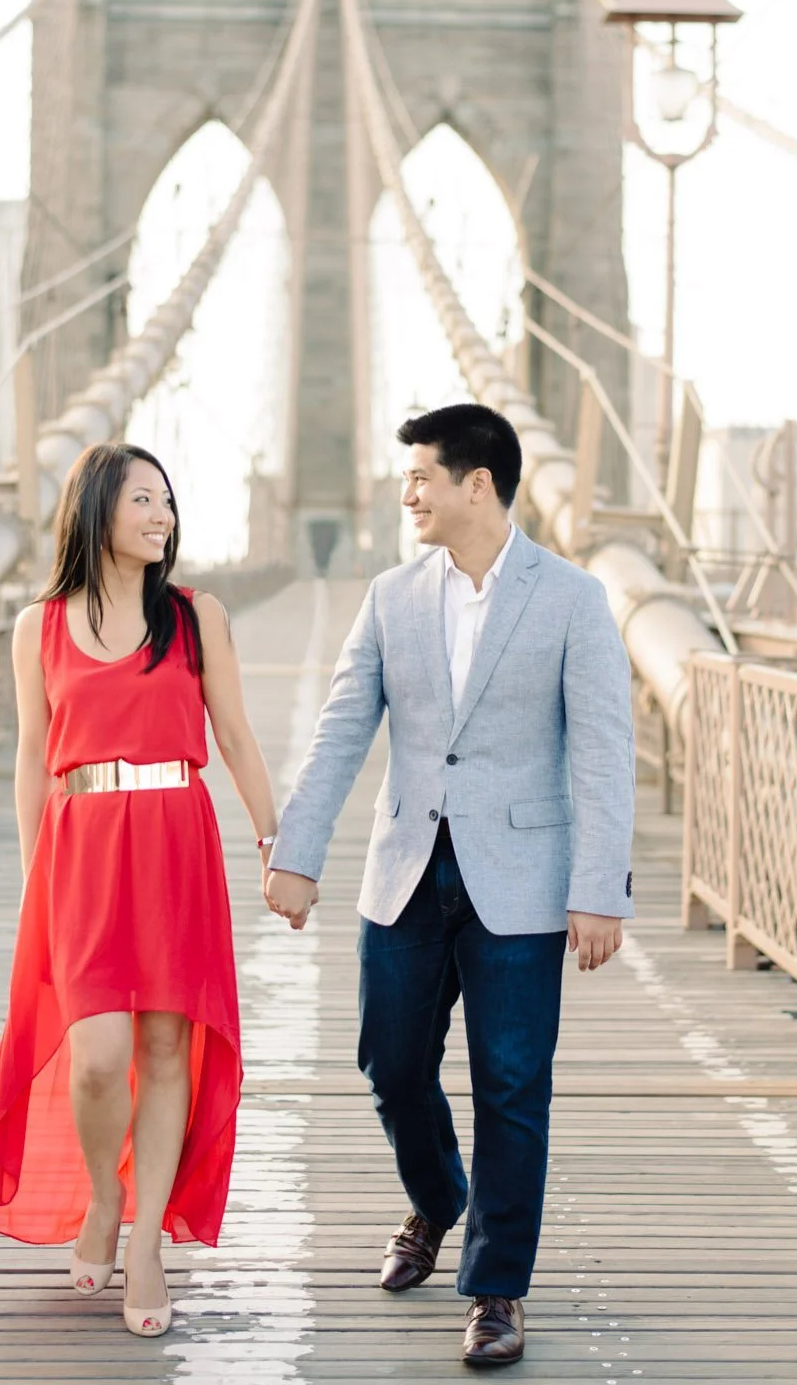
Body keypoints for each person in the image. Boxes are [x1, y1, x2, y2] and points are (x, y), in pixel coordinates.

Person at [265, 403, 634, 1367]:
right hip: (404, 869)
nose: (408, 492)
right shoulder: (391, 595)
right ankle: (437, 1199)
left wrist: (600, 886)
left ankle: (497, 1286)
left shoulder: (573, 598)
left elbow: (604, 749)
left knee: (512, 1086)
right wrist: (298, 852)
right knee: (390, 1065)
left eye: (422, 475)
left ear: (478, 483)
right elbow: (342, 727)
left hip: (523, 877)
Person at [0, 441, 280, 1339]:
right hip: (81, 850)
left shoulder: (195, 615)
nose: (161, 515)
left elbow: (235, 734)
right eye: (142, 499)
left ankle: (145, 1240)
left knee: (165, 1046)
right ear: (96, 509)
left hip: (175, 841)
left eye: (167, 500)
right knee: (97, 1057)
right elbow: (32, 763)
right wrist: (34, 877)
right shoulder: (36, 628)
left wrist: (277, 841)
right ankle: (103, 1195)